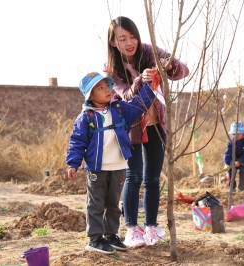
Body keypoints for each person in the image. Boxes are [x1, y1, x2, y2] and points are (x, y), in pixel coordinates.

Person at [105, 16, 189, 247]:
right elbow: (126, 96)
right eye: (122, 38)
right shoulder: (110, 69)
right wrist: (141, 80)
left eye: (132, 36)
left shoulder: (148, 51)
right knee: (134, 176)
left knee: (152, 179)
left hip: (156, 124)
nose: (129, 42)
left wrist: (169, 65)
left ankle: (151, 227)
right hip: (129, 127)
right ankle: (132, 229)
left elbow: (183, 70)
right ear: (113, 42)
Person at [66, 72, 156, 254]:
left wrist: (151, 85)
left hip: (119, 166)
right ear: (91, 95)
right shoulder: (86, 117)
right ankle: (95, 238)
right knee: (96, 204)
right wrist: (73, 163)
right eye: (100, 88)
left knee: (114, 204)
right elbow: (77, 141)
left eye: (107, 86)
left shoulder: (119, 109)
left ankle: (111, 235)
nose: (107, 90)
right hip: (97, 168)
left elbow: (139, 105)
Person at [223, 121, 244, 192]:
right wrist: (227, 163)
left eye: (237, 134)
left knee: (243, 171)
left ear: (242, 133)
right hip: (234, 158)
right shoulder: (231, 142)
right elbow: (228, 153)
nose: (235, 136)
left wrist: (240, 161)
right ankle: (232, 188)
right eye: (233, 134)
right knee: (231, 171)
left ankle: (241, 189)